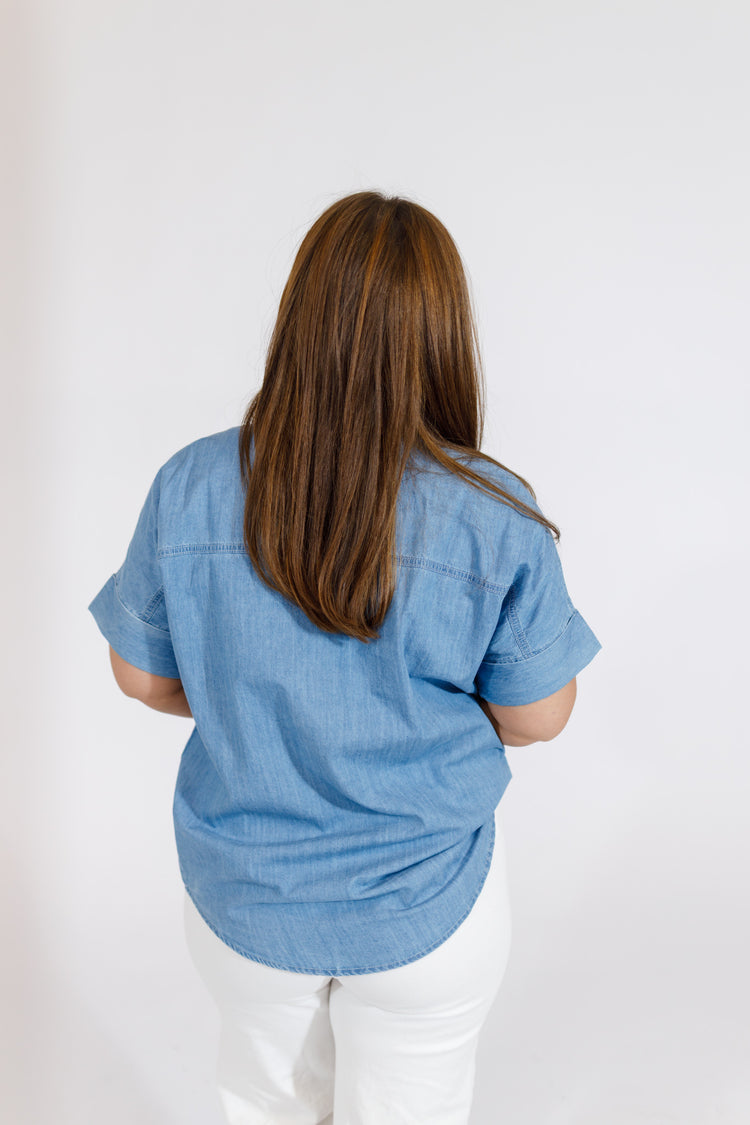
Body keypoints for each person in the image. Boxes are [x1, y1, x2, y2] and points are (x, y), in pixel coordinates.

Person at [89, 190, 601, 1125]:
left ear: (299, 319)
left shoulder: (193, 483)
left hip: (247, 900)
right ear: (441, 334)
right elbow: (540, 714)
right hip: (426, 900)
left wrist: (253, 700)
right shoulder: (494, 510)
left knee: (260, 1101)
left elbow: (140, 673)